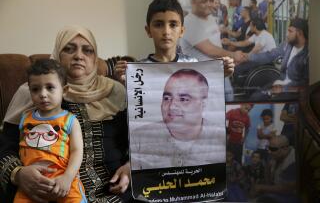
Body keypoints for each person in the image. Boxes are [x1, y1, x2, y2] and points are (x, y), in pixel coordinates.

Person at [0, 25, 131, 202]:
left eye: (88, 50)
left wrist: (130, 168)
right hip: (47, 191)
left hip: (113, 191)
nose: (78, 56)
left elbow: (138, 142)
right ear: (57, 55)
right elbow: (5, 145)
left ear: (95, 59)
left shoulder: (116, 90)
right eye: (69, 49)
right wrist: (18, 173)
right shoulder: (31, 93)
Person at [114, 0, 234, 85]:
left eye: (173, 25)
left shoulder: (195, 64)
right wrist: (125, 82)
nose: (166, 31)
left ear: (182, 31)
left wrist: (220, 73)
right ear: (148, 31)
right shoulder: (138, 71)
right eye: (158, 24)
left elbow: (207, 91)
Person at [14, 59, 86, 202]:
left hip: (63, 180)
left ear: (64, 90)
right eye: (35, 89)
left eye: (50, 87)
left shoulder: (70, 120)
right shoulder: (25, 119)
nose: (42, 94)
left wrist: (68, 177)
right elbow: (20, 147)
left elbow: (77, 151)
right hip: (32, 182)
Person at [130, 69, 225, 169]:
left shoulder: (222, 138)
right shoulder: (139, 138)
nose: (172, 107)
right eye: (167, 98)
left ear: (204, 103)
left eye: (183, 99)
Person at [179, 0, 243, 101]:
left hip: (219, 71)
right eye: (204, 1)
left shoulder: (210, 18)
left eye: (210, 0)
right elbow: (210, 50)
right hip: (204, 77)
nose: (209, 4)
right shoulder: (189, 23)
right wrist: (232, 55)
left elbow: (213, 40)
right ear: (194, 3)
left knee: (228, 101)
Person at [237, 18, 309, 100]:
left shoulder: (308, 54)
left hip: (292, 91)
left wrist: (284, 88)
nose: (287, 34)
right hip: (280, 81)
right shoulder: (288, 45)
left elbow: (306, 84)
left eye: (290, 31)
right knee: (254, 96)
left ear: (300, 33)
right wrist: (248, 57)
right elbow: (270, 55)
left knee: (257, 98)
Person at [252, 135, 298, 203]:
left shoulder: (293, 162)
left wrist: (262, 187)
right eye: (269, 148)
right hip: (276, 189)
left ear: (285, 148)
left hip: (291, 196)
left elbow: (286, 188)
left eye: (273, 149)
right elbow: (267, 170)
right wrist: (267, 186)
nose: (269, 151)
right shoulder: (274, 154)